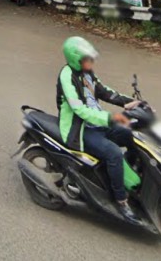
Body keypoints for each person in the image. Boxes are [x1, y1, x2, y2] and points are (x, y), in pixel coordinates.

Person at [56, 36, 142, 225]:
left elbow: (104, 91)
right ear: (75, 59)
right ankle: (121, 200)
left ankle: (127, 174)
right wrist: (110, 118)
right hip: (79, 129)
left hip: (98, 123)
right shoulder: (66, 76)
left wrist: (128, 102)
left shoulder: (87, 73)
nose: (91, 62)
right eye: (87, 59)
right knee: (113, 153)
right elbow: (78, 109)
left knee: (130, 135)